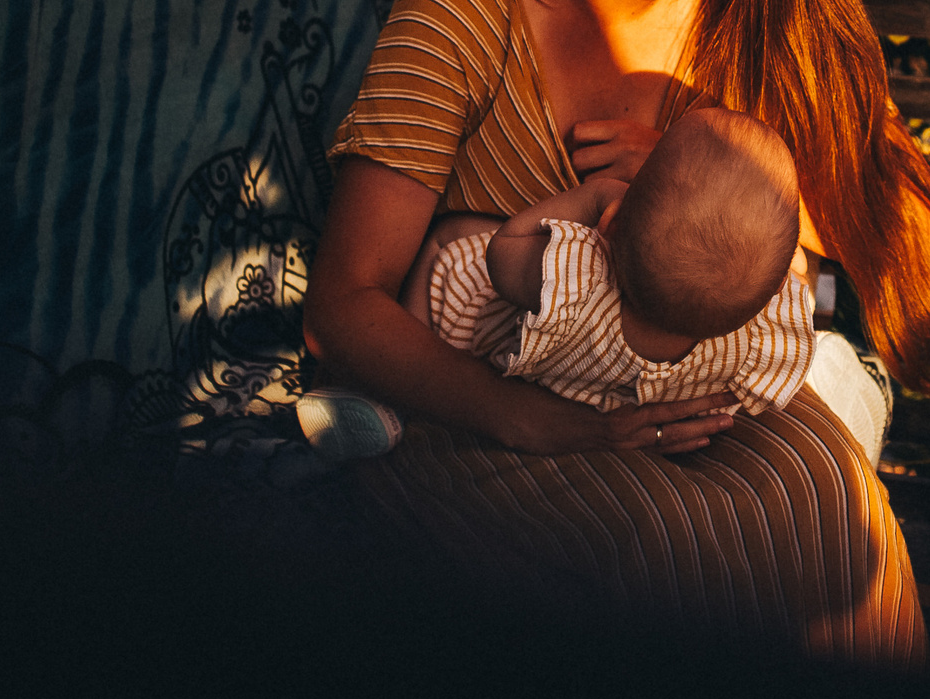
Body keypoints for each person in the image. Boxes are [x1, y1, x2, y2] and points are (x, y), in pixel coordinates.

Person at [303, 0, 930, 666]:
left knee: (842, 515)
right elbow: (343, 304)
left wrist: (720, 186)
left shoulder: (751, 8)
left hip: (684, 401)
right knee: (667, 549)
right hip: (477, 410)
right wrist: (529, 419)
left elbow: (912, 237)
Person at [300, 109, 818, 460]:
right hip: (604, 404)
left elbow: (503, 253)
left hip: (478, 342)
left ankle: (382, 400)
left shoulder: (575, 279)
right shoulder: (752, 343)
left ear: (613, 223)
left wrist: (594, 197)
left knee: (450, 239)